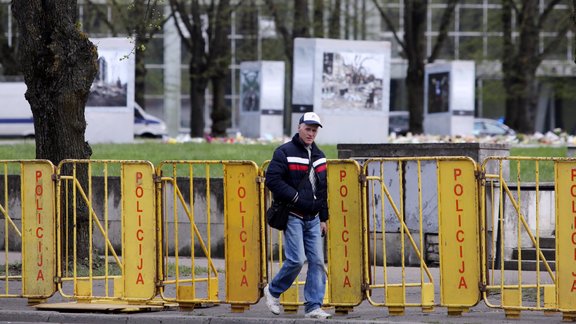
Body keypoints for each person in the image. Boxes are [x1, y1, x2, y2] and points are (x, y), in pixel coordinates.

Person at [263, 112, 331, 319]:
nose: (311, 133)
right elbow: (272, 180)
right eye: (307, 129)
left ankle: (313, 307)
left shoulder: (320, 156)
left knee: (318, 262)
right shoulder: (284, 152)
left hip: (313, 217)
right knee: (296, 260)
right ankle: (273, 291)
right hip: (292, 214)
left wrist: (324, 217)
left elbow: (322, 189)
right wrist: (294, 198)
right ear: (299, 127)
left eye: (314, 130)